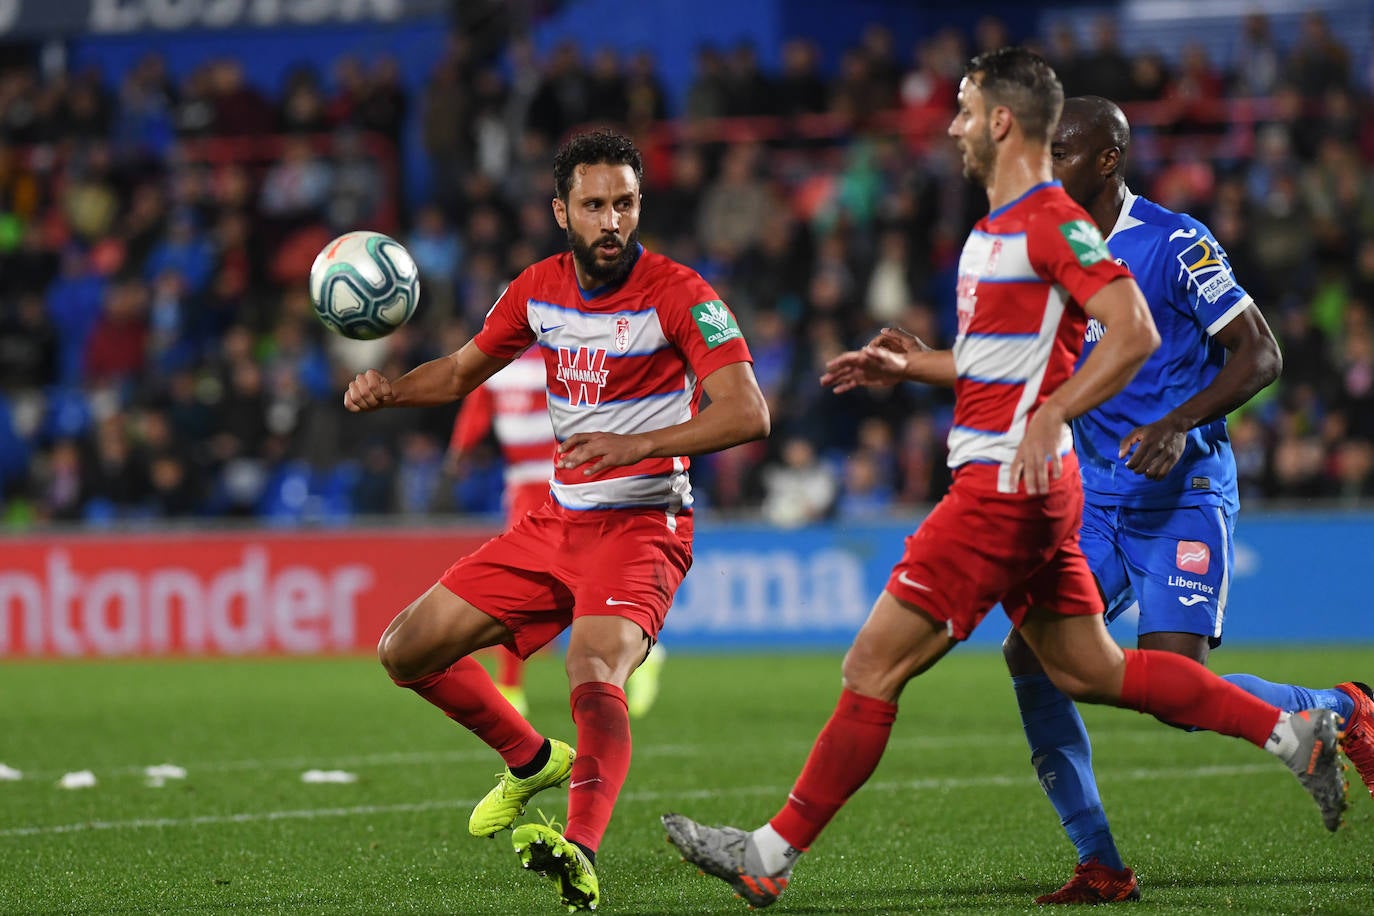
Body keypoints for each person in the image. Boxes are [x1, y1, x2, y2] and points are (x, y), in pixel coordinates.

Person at [660, 47, 1346, 910]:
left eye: (962, 109)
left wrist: (1059, 415)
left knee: (872, 665)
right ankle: (1291, 734)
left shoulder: (1053, 224)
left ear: (1001, 120)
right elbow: (1003, 360)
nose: (950, 127)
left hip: (1005, 493)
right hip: (1050, 488)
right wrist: (912, 366)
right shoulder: (999, 230)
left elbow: (1134, 331)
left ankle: (767, 854)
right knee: (1089, 670)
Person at [346, 128, 769, 912]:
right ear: (560, 211)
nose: (612, 221)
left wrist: (639, 443)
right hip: (556, 522)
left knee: (593, 669)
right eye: (595, 205)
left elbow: (749, 411)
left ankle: (580, 849)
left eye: (625, 204)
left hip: (643, 524)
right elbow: (463, 370)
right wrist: (391, 391)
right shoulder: (537, 288)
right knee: (405, 650)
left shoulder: (682, 294)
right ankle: (530, 757)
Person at [998, 95, 1374, 904]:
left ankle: (1344, 709)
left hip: (1182, 495)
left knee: (1177, 689)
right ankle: (1100, 863)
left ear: (1107, 160)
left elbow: (1260, 353)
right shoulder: (1047, 252)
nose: (1044, 166)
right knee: (1029, 653)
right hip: (1097, 501)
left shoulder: (1175, 242)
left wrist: (1177, 422)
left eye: (1061, 151)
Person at [447, 346, 669, 720]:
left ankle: (511, 686)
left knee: (537, 584)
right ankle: (638, 649)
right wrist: (461, 450)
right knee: (551, 584)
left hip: (563, 480)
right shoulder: (498, 362)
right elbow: (477, 409)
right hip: (523, 484)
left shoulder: (554, 353)